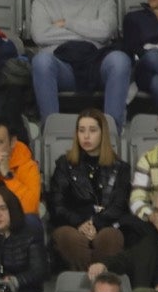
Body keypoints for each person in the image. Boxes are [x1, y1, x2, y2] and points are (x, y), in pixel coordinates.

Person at [29, 0, 133, 127]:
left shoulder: (104, 2)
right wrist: (87, 35)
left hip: (96, 64)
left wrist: (67, 23)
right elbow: (40, 35)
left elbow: (104, 31)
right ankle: (51, 129)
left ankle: (112, 130)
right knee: (41, 61)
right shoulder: (42, 3)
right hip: (62, 66)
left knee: (120, 60)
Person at [49, 109, 135, 271]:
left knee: (110, 237)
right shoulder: (64, 164)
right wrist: (80, 223)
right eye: (81, 131)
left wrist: (95, 223)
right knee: (67, 237)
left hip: (106, 225)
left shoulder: (121, 168)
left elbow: (118, 206)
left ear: (103, 134)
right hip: (72, 224)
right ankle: (92, 284)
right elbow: (57, 205)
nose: (86, 136)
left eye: (92, 130)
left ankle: (99, 283)